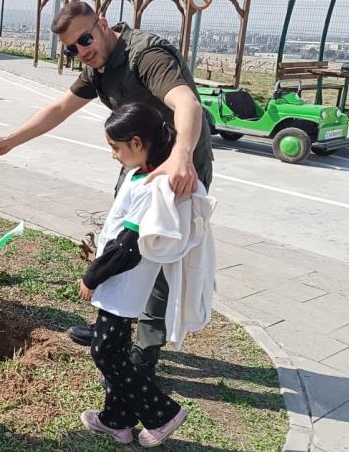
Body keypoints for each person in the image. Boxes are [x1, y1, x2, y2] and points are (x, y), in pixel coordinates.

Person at [0, 0, 213, 379]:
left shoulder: (145, 55)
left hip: (176, 169)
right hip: (138, 163)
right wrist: (10, 141)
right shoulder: (98, 66)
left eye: (85, 39)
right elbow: (58, 109)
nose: (81, 51)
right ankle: (111, 323)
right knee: (117, 241)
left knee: (155, 252)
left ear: (102, 23)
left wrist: (182, 156)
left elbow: (187, 103)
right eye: (71, 49)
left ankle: (145, 349)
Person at [77, 102, 200, 447]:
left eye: (115, 148)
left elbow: (129, 248)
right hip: (118, 285)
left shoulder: (150, 185)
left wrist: (92, 276)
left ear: (136, 142)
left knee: (106, 353)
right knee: (112, 351)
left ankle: (163, 414)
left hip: (123, 285)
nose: (113, 155)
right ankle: (116, 421)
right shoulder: (139, 173)